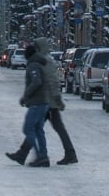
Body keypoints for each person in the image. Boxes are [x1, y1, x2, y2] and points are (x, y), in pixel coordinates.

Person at [6, 38, 78, 166]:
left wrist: (57, 99)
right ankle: (25, 154)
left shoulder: (45, 61)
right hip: (48, 100)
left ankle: (64, 154)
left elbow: (52, 81)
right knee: (40, 128)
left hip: (48, 101)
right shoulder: (44, 59)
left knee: (34, 128)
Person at [5, 43, 54, 167]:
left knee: (28, 129)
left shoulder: (33, 65)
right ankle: (43, 156)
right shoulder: (39, 63)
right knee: (38, 130)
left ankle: (40, 156)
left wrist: (26, 96)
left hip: (37, 103)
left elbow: (36, 82)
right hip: (44, 101)